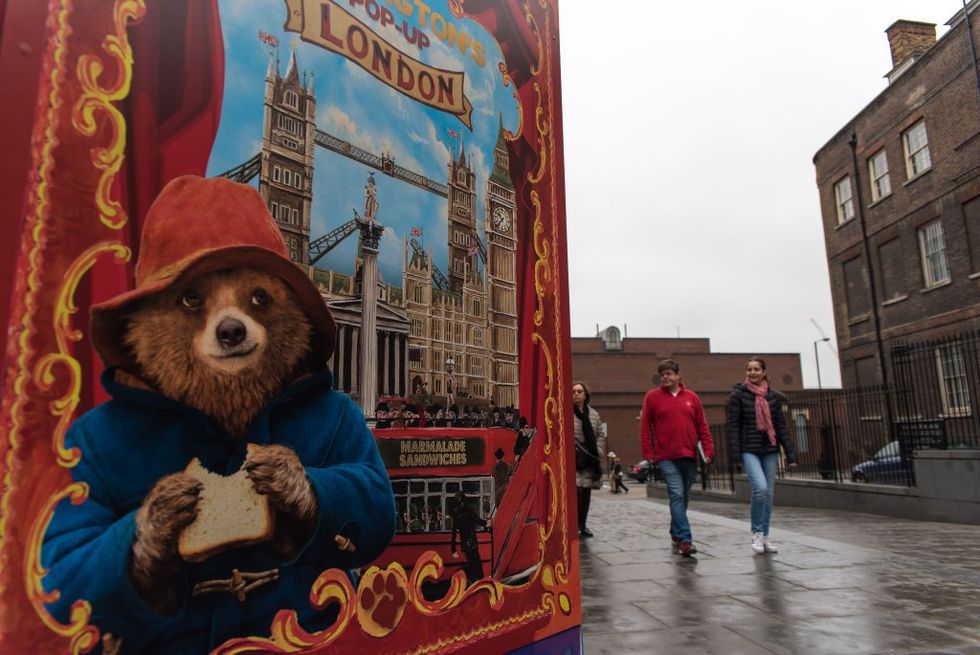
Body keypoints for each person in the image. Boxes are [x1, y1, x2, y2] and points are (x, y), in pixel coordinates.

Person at [640, 359, 714, 557]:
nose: (665, 377)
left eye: (669, 373)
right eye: (663, 374)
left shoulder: (692, 398)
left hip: (689, 455)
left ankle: (675, 530)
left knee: (684, 497)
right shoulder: (652, 397)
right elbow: (646, 427)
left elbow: (702, 426)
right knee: (676, 494)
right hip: (667, 456)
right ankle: (685, 540)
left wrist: (708, 450)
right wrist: (649, 453)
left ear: (678, 375)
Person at [727, 357, 799, 554]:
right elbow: (733, 427)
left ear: (764, 372)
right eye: (749, 370)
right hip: (749, 449)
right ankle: (757, 533)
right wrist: (736, 455)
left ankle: (766, 536)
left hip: (770, 449)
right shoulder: (738, 396)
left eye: (756, 369)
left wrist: (791, 454)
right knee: (760, 489)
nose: (753, 373)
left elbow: (781, 427)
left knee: (768, 494)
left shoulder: (773, 396)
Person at [572, 381, 606, 538]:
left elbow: (600, 434)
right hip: (574, 459)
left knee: (586, 492)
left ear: (585, 395)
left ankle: (582, 525)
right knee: (577, 490)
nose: (576, 394)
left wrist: (598, 451)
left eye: (579, 391)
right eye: (573, 391)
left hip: (590, 458)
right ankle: (575, 525)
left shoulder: (593, 414)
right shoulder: (567, 413)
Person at [450, 491, 487, 583]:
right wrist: (486, 523)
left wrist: (453, 549)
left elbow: (454, 533)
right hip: (472, 542)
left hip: (465, 544)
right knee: (477, 565)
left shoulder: (456, 514)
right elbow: (478, 520)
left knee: (471, 564)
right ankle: (481, 582)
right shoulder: (468, 510)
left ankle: (475, 582)